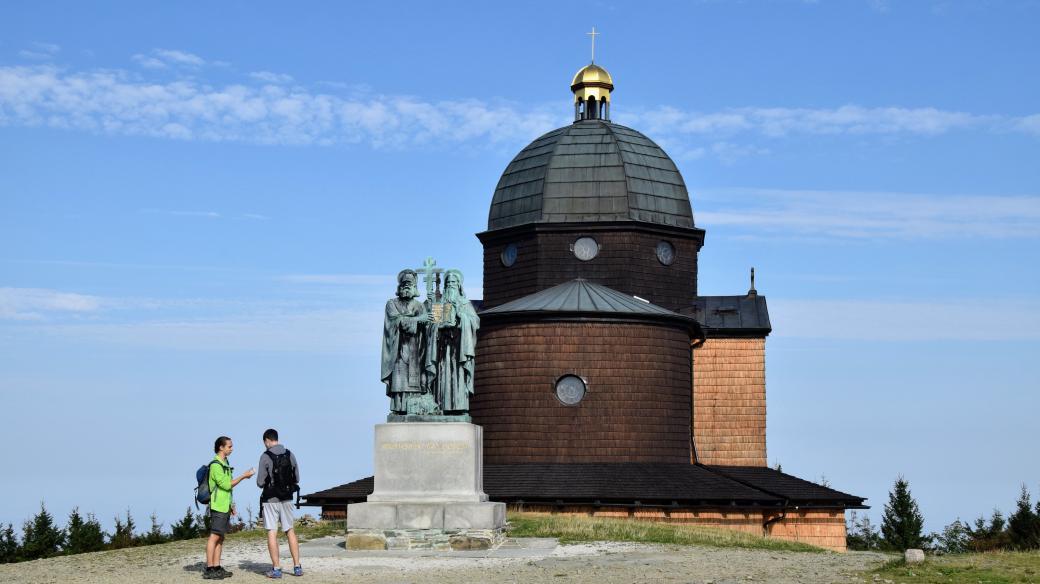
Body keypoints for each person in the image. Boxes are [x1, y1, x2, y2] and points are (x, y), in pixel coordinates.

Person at [424, 269, 479, 414]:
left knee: (457, 376)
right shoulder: (438, 305)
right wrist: (438, 325)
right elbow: (430, 326)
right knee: (442, 376)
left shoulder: (465, 303)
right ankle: (440, 407)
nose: (450, 285)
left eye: (453, 282)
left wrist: (462, 317)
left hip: (458, 346)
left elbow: (475, 322)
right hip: (441, 345)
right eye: (448, 282)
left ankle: (459, 407)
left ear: (459, 285)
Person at [381, 269, 430, 414]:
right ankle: (399, 408)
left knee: (414, 379)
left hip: (416, 349)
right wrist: (417, 319)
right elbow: (397, 321)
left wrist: (426, 320)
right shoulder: (392, 304)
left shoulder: (419, 305)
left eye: (410, 283)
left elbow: (427, 322)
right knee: (399, 378)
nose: (407, 286)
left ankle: (413, 407)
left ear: (415, 287)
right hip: (398, 348)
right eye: (404, 283)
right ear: (399, 286)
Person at [205, 436, 254, 580]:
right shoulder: (215, 465)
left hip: (224, 505)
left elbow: (227, 490)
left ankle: (217, 567)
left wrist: (231, 504)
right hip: (218, 506)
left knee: (220, 537)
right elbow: (226, 485)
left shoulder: (225, 462)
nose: (231, 449)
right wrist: (244, 476)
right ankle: (209, 569)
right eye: (229, 446)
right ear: (221, 447)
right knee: (214, 537)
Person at [256, 428, 302, 579]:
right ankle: (297, 567)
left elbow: (260, 482)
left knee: (272, 532)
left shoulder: (265, 456)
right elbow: (297, 478)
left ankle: (276, 569)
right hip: (287, 498)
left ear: (267, 441)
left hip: (271, 500)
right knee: (290, 531)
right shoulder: (290, 454)